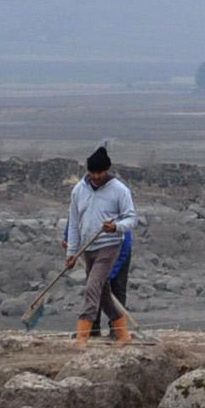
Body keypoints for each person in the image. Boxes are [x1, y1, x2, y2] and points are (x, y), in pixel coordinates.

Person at [63, 147, 139, 343]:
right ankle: (122, 334)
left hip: (111, 246)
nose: (96, 176)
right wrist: (72, 252)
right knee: (103, 292)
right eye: (93, 172)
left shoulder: (120, 191)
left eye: (100, 172)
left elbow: (132, 219)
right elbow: (73, 222)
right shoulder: (78, 190)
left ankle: (82, 338)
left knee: (92, 287)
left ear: (107, 170)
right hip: (87, 248)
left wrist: (115, 227)